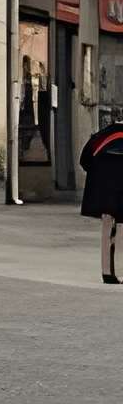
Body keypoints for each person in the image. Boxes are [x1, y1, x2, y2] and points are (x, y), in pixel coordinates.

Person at [79, 118, 123, 283]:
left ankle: (107, 272)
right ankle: (120, 271)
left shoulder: (101, 136)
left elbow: (84, 161)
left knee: (107, 228)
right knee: (122, 230)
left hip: (104, 193)